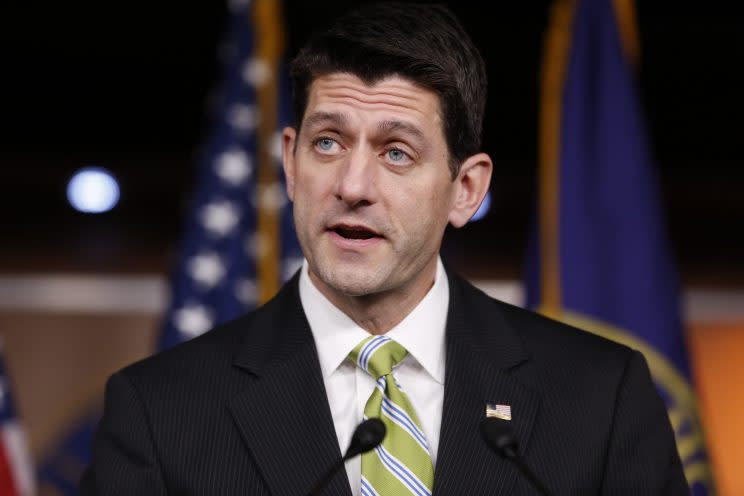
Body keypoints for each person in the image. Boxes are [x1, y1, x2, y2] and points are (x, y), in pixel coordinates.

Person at [81, 2, 688, 494]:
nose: (352, 186)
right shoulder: (160, 412)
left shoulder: (599, 399)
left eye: (397, 152)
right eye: (327, 143)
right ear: (290, 163)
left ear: (466, 189)